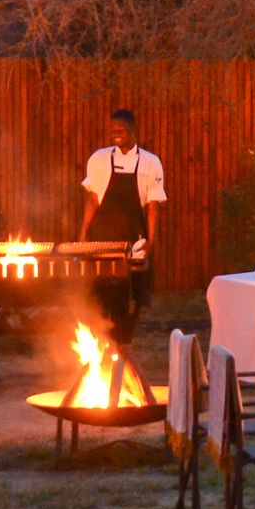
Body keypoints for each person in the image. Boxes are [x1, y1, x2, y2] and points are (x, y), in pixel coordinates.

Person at [77, 109, 165, 340]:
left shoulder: (150, 162)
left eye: (121, 129)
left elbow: (153, 206)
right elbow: (92, 200)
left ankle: (124, 340)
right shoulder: (98, 159)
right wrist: (83, 235)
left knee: (131, 294)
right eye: (112, 130)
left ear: (133, 130)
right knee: (99, 292)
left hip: (132, 240)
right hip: (101, 240)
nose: (116, 133)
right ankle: (102, 340)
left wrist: (152, 241)